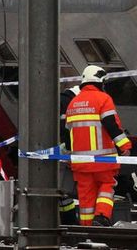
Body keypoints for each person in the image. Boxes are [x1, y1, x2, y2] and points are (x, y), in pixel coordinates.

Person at [64, 65, 132, 226]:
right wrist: (125, 146)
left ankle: (87, 230)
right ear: (100, 81)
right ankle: (101, 217)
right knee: (106, 186)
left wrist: (69, 155)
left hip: (80, 163)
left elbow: (67, 135)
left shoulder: (73, 103)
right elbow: (111, 124)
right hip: (103, 160)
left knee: (85, 196)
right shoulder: (103, 99)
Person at [58, 77, 81, 225]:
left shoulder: (62, 100)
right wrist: (69, 149)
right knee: (64, 190)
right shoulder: (68, 103)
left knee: (62, 192)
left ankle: (70, 223)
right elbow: (65, 130)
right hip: (63, 153)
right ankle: (71, 223)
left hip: (60, 152)